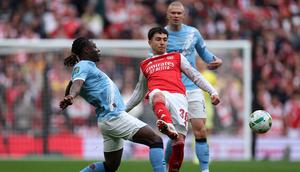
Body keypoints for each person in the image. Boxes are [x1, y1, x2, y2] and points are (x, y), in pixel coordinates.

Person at [59, 37, 166, 172]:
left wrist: (69, 95)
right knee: (155, 140)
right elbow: (77, 85)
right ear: (86, 50)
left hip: (106, 121)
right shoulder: (84, 65)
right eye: (95, 47)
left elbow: (74, 83)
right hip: (113, 116)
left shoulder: (83, 68)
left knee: (110, 166)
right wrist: (71, 95)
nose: (98, 50)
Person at [125, 27, 220, 172]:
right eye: (158, 39)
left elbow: (195, 75)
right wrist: (124, 110)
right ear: (149, 42)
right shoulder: (145, 65)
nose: (162, 42)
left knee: (179, 142)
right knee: (156, 94)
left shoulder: (177, 57)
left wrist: (212, 91)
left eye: (164, 40)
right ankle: (167, 124)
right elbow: (139, 92)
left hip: (180, 99)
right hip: (160, 97)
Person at [164, 1, 223, 172]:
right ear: (168, 15)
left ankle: (205, 170)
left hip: (193, 88)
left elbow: (204, 53)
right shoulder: (162, 35)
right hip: (173, 89)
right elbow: (154, 58)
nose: (176, 15)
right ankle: (166, 166)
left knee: (200, 130)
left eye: (179, 13)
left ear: (184, 15)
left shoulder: (193, 33)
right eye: (173, 13)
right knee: (176, 135)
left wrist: (214, 60)